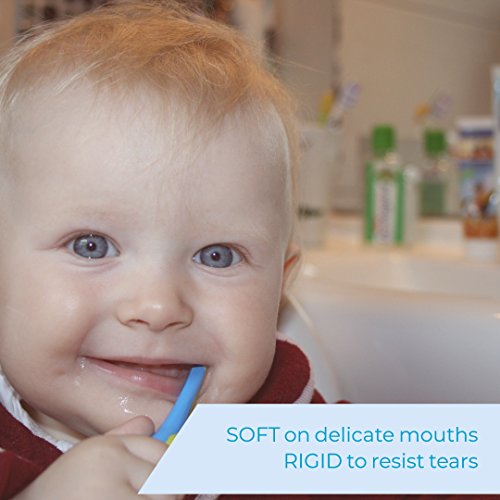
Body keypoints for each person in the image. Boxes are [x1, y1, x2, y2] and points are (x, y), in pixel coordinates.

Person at [0, 1, 325, 498]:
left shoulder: (279, 428)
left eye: (217, 255)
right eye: (91, 246)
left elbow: (436, 462)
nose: (158, 308)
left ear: (280, 284)